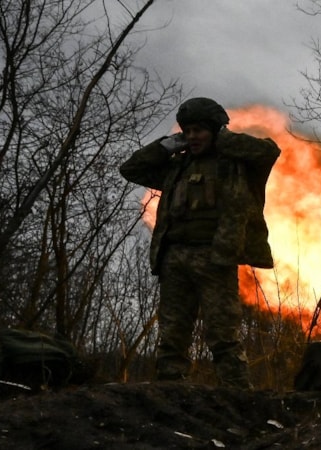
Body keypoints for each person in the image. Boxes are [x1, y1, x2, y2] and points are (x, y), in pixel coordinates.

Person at [120, 97, 281, 389]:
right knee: (172, 336)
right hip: (174, 258)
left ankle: (237, 397)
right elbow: (131, 169)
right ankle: (172, 393)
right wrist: (167, 146)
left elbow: (268, 151)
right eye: (188, 131)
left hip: (215, 258)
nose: (192, 137)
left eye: (199, 131)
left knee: (223, 335)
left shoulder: (236, 165)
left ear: (214, 130)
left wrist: (224, 139)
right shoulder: (177, 167)